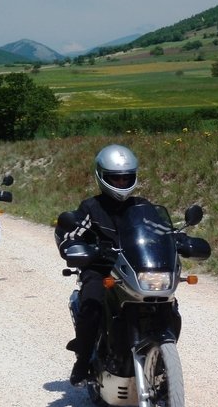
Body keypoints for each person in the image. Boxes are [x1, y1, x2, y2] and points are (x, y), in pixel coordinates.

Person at [55, 144, 180, 386]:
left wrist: (179, 239)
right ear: (102, 177)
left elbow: (162, 231)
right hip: (102, 268)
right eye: (116, 178)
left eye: (126, 178)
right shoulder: (91, 207)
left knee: (169, 307)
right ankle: (83, 359)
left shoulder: (142, 207)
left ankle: (164, 362)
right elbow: (72, 234)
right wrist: (79, 248)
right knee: (92, 304)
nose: (122, 183)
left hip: (135, 268)